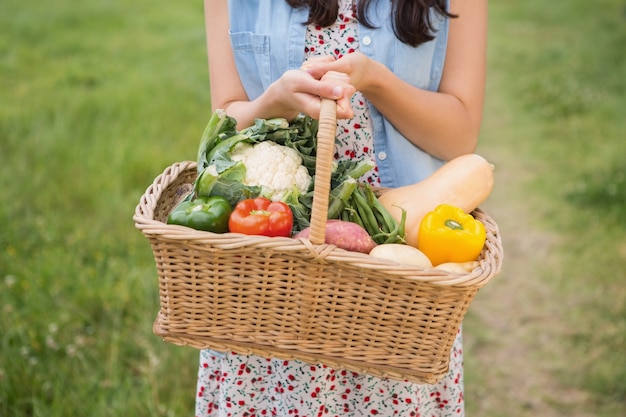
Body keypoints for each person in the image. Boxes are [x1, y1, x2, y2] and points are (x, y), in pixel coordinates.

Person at [196, 0, 487, 415]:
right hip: (274, 275)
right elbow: (227, 119)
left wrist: (377, 81)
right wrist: (272, 103)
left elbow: (459, 138)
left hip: (399, 275)